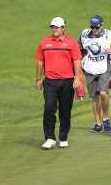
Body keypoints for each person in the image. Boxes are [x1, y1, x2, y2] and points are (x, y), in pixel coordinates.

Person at [35, 17, 82, 149]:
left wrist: (77, 78)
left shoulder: (71, 43)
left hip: (67, 81)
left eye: (57, 27)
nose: (54, 29)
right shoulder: (44, 43)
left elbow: (77, 61)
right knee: (49, 108)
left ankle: (63, 137)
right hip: (50, 82)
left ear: (63, 28)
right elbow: (40, 61)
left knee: (65, 110)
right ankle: (50, 138)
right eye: (53, 27)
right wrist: (38, 78)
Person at [78, 15, 111, 133]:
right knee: (95, 97)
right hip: (89, 68)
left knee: (103, 93)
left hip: (104, 67)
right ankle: (98, 124)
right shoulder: (84, 34)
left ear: (101, 26)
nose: (94, 30)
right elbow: (78, 47)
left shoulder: (109, 34)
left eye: (97, 27)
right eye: (92, 27)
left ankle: (105, 118)